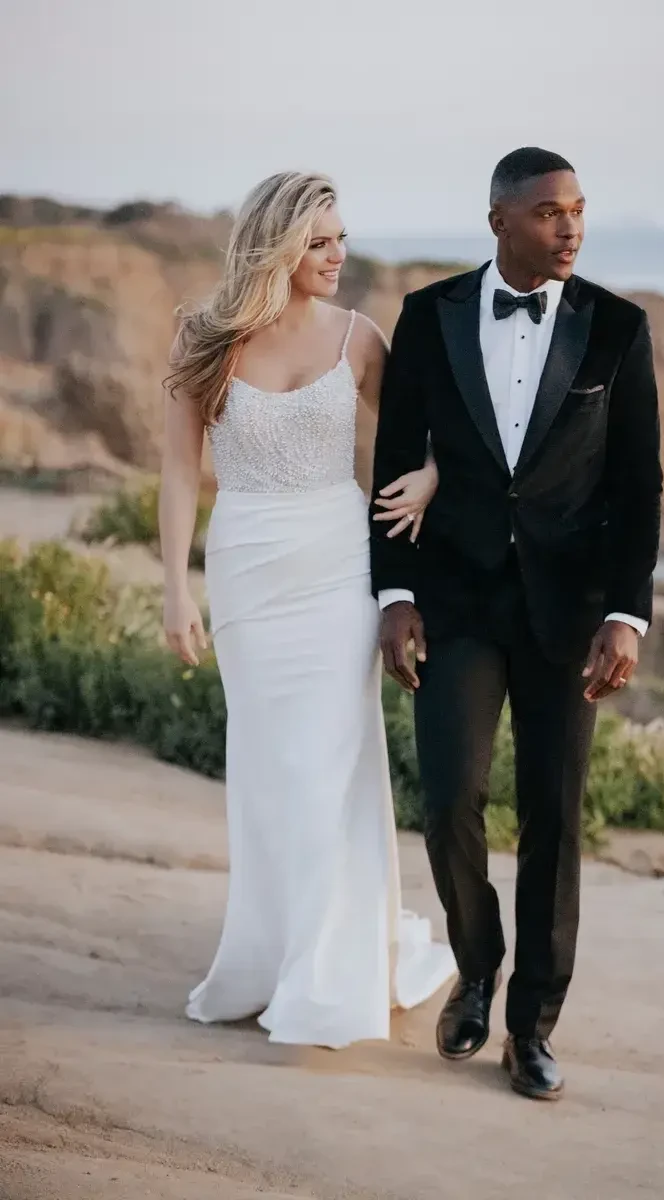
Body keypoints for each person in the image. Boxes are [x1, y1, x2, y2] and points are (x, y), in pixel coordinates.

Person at [370, 147, 662, 1098]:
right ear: (500, 221)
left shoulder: (618, 329)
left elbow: (638, 484)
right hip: (455, 600)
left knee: (555, 817)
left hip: (568, 614)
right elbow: (395, 456)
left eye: (578, 209)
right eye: (547, 213)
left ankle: (531, 1027)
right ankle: (478, 961)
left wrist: (625, 614)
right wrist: (394, 595)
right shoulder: (430, 316)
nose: (569, 226)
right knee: (450, 797)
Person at [160, 171, 455, 1049]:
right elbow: (179, 471)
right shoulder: (203, 337)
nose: (338, 254)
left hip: (336, 571)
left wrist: (434, 476)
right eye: (319, 241)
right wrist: (175, 583)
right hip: (246, 571)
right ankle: (275, 950)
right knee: (269, 769)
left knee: (334, 763)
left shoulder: (360, 339)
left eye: (341, 238)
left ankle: (331, 975)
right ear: (278, 246)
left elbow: (426, 431)